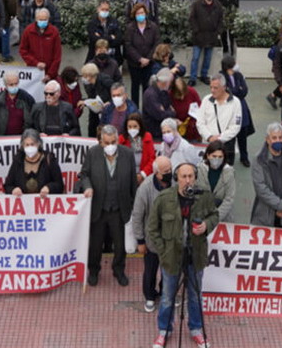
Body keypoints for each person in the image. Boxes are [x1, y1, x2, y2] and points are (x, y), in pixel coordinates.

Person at [147, 161, 219, 348]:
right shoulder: (164, 199)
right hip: (171, 257)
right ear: (176, 179)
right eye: (183, 177)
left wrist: (206, 226)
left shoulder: (204, 197)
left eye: (191, 176)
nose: (188, 181)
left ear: (195, 177)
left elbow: (214, 215)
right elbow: (153, 228)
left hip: (195, 256)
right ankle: (164, 330)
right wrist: (163, 251)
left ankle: (196, 330)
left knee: (195, 296)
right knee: (168, 296)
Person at [78, 125, 138, 287]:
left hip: (120, 209)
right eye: (106, 143)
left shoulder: (127, 154)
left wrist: (134, 207)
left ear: (117, 140)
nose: (110, 146)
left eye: (113, 142)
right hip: (99, 208)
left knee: (120, 245)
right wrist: (88, 186)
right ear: (101, 141)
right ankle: (94, 270)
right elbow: (84, 174)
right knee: (95, 244)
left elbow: (133, 181)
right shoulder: (93, 153)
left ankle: (119, 270)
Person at [132, 155, 173, 313]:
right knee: (150, 270)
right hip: (151, 240)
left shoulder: (175, 183)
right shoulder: (145, 188)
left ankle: (165, 293)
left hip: (170, 239)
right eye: (165, 171)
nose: (169, 173)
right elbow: (137, 215)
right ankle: (149, 296)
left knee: (168, 270)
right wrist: (140, 241)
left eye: (170, 169)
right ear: (157, 173)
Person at [250, 122, 282, 228]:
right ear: (267, 139)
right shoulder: (259, 159)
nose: (278, 140)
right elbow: (261, 188)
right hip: (265, 216)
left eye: (280, 137)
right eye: (274, 138)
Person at [195, 75, 241, 162]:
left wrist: (219, 138)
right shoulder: (206, 100)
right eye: (211, 87)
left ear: (224, 87)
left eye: (215, 88)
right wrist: (209, 137)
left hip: (227, 147)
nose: (212, 90)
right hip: (208, 146)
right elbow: (200, 122)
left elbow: (235, 126)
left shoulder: (235, 102)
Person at [4, 129, 63, 195]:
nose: (30, 147)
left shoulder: (49, 159)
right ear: (23, 146)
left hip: (45, 203)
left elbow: (59, 185)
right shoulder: (18, 161)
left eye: (32, 144)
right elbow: (7, 185)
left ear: (38, 144)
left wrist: (49, 188)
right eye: (27, 145)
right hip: (23, 203)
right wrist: (13, 190)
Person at [186, 0, 223, 85]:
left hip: (211, 36)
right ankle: (192, 78)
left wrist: (218, 32)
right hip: (198, 36)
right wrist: (196, 30)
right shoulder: (197, 4)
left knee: (207, 58)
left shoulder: (218, 5)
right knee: (195, 58)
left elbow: (221, 20)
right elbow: (192, 18)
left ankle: (204, 75)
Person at [125, 4, 159, 104]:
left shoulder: (153, 27)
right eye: (138, 13)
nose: (140, 15)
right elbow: (128, 45)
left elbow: (156, 43)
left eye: (142, 13)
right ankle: (135, 110)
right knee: (135, 86)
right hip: (134, 63)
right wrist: (139, 59)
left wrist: (148, 59)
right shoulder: (130, 28)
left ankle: (146, 110)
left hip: (149, 63)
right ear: (134, 15)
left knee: (147, 87)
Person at [19, 8, 62, 82]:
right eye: (40, 19)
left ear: (48, 19)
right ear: (36, 19)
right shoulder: (28, 31)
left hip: (50, 73)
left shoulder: (54, 32)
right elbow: (23, 50)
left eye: (45, 20)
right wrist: (35, 63)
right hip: (33, 71)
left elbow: (57, 55)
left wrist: (50, 74)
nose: (43, 22)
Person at [196, 140, 235, 221]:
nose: (217, 159)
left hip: (222, 218)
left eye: (220, 157)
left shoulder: (229, 172)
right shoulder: (199, 169)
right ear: (208, 155)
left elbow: (229, 198)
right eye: (214, 156)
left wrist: (215, 218)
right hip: (201, 216)